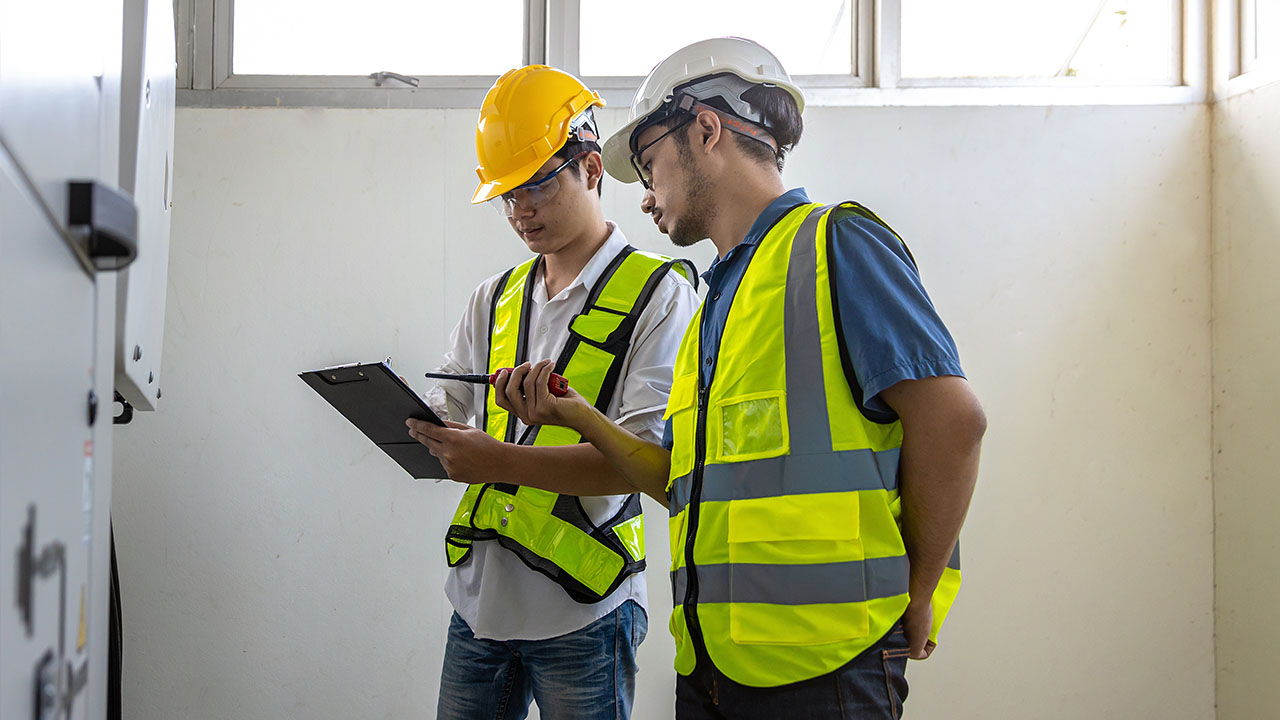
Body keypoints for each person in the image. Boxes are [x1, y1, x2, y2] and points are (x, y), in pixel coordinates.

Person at [492, 38, 987, 719]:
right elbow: (682, 482)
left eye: (649, 163)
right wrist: (581, 417)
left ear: (705, 130)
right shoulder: (714, 304)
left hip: (828, 668)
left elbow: (954, 421)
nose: (644, 197)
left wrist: (922, 591)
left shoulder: (834, 245)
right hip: (714, 668)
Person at [402, 65, 700, 720]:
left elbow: (644, 461)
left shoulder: (660, 296)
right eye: (508, 195)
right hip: (479, 608)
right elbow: (446, 412)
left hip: (586, 612)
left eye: (536, 185)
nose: (520, 211)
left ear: (592, 168)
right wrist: (418, 426)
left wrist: (494, 461)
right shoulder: (495, 297)